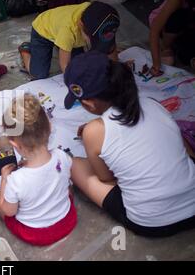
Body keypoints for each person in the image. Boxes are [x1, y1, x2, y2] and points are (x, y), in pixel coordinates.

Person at [64, 51, 195, 237]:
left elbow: (106, 178)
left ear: (88, 104)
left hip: (154, 222)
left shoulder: (93, 131)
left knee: (74, 164)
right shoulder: (151, 103)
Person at [0, 94, 77, 245]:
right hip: (67, 221)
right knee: (67, 187)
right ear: (49, 128)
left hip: (36, 234)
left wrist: (5, 179)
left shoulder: (16, 180)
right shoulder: (62, 157)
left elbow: (9, 211)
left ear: (15, 145)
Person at [19, 1, 120, 80]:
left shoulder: (104, 20)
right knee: (39, 74)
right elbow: (64, 64)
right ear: (81, 25)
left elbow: (110, 48)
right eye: (94, 40)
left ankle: (61, 44)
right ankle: (25, 50)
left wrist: (116, 69)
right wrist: (76, 86)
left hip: (65, 33)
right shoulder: (68, 30)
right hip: (42, 31)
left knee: (80, 67)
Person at [148, 0, 195, 76]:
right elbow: (154, 30)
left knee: (187, 55)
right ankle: (166, 47)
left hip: (189, 23)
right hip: (167, 25)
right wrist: (156, 64)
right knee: (177, 19)